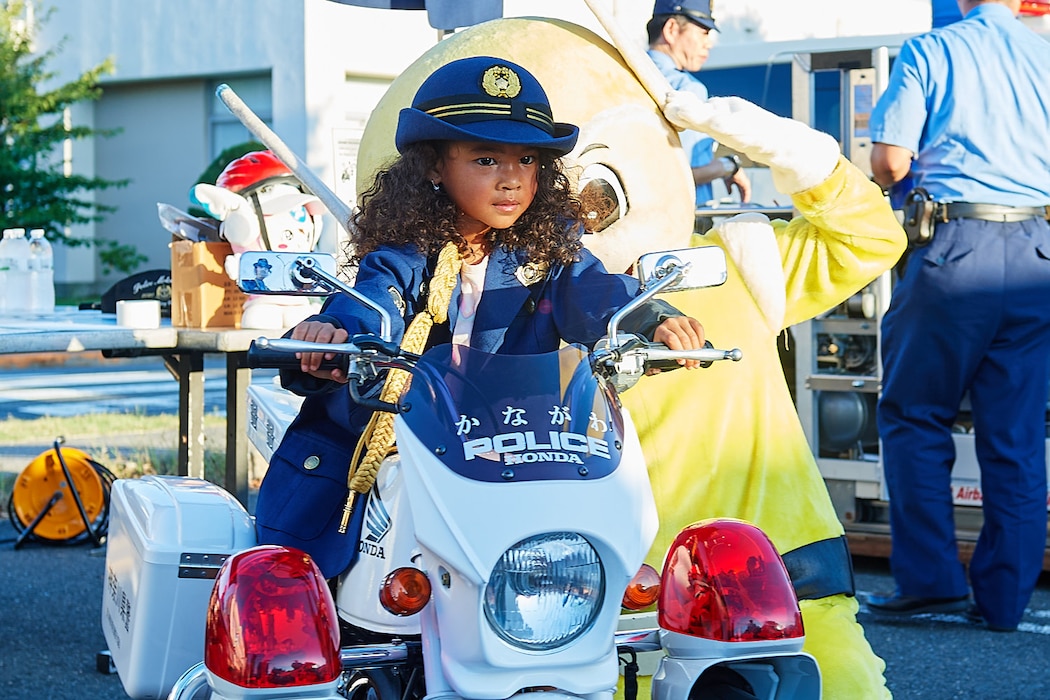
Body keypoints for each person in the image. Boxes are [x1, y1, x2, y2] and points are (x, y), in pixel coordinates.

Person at [253, 55, 707, 581]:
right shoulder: (406, 254)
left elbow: (594, 290)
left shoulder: (548, 256)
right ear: (433, 167)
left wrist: (648, 319)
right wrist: (337, 335)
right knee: (302, 609)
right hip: (398, 459)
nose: (511, 179)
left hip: (520, 459)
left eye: (528, 161)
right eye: (486, 160)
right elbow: (372, 302)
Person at [866, 0, 1050, 633]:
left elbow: (890, 161)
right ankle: (1004, 603)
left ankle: (932, 581)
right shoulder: (1044, 53)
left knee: (915, 414)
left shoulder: (933, 51)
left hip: (955, 249)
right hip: (1036, 250)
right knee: (1017, 437)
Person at [646, 0, 752, 211]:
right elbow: (681, 174)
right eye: (703, 32)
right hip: (684, 223)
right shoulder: (685, 89)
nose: (709, 43)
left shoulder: (624, 75)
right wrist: (729, 166)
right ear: (671, 29)